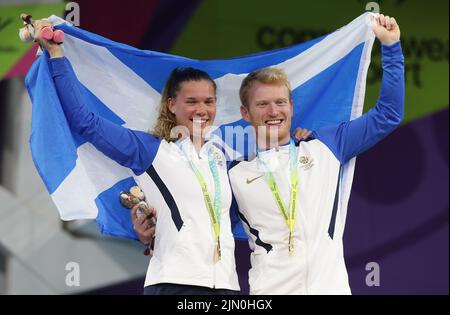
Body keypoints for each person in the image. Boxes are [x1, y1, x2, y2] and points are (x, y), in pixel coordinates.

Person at [32, 18, 311, 295]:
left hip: (227, 287)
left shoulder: (224, 159)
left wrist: (301, 145)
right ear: (172, 105)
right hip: (174, 284)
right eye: (191, 101)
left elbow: (265, 193)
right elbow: (86, 123)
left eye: (208, 101)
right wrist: (57, 56)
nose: (201, 109)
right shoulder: (151, 151)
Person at [227, 13, 404, 294]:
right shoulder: (233, 174)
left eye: (280, 102)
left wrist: (392, 48)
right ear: (245, 114)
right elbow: (200, 221)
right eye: (263, 104)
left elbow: (388, 115)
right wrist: (150, 232)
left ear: (292, 107)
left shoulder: (327, 146)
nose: (274, 112)